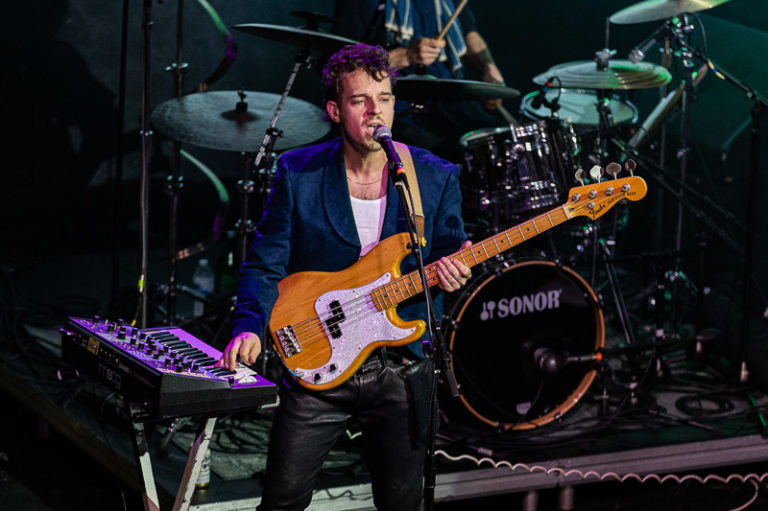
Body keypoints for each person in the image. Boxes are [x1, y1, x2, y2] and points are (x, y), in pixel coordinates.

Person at [216, 43, 472, 510]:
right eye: (360, 100)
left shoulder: (434, 176)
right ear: (336, 111)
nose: (376, 111)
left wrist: (456, 269)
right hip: (318, 364)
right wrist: (249, 326)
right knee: (281, 501)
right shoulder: (299, 172)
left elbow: (448, 252)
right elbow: (265, 262)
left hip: (402, 368)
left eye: (385, 98)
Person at [331, 0, 511, 160]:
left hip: (451, 100)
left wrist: (488, 66)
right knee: (433, 151)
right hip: (397, 108)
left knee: (502, 138)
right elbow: (342, 66)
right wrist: (405, 55)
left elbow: (468, 31)